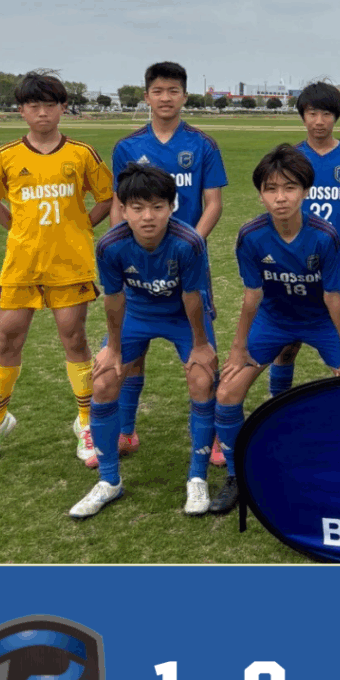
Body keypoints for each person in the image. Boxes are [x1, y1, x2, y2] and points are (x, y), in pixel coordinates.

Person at [212, 145, 340, 513]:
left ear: (305, 191)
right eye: (271, 189)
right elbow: (252, 296)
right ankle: (236, 475)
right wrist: (238, 348)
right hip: (273, 320)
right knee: (227, 392)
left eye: (289, 188)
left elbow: (333, 298)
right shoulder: (250, 236)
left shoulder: (325, 236)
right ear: (260, 194)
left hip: (320, 320)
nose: (280, 198)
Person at [0, 70, 112, 465]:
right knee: (7, 339)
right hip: (22, 265)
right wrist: (19, 230)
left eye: (50, 105)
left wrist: (80, 227)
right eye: (33, 106)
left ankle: (85, 423)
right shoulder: (5, 155)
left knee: (74, 339)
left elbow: (106, 197)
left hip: (70, 264)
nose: (42, 113)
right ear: (21, 111)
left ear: (63, 108)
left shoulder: (82, 154)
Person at [70, 164, 217, 519]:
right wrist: (113, 348)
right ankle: (109, 481)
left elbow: (193, 296)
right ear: (122, 209)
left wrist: (200, 345)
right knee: (103, 382)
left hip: (182, 317)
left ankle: (197, 477)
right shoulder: (110, 245)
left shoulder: (189, 242)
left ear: (171, 207)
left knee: (202, 379)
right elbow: (114, 297)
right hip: (137, 314)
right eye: (137, 208)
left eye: (157, 207)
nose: (148, 217)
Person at [110, 61, 227, 464]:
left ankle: (214, 436)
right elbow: (118, 205)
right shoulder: (127, 147)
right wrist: (125, 247)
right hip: (139, 265)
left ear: (184, 96)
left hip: (186, 263)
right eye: (158, 91)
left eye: (173, 90)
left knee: (201, 349)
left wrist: (190, 245)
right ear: (146, 96)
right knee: (132, 352)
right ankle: (126, 432)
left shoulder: (202, 144)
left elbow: (214, 203)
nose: (165, 98)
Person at [267, 81, 340, 397]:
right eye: (312, 113)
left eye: (326, 114)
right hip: (294, 267)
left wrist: (335, 243)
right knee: (286, 345)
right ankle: (278, 403)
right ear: (302, 115)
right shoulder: (288, 159)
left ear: (336, 116)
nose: (319, 121)